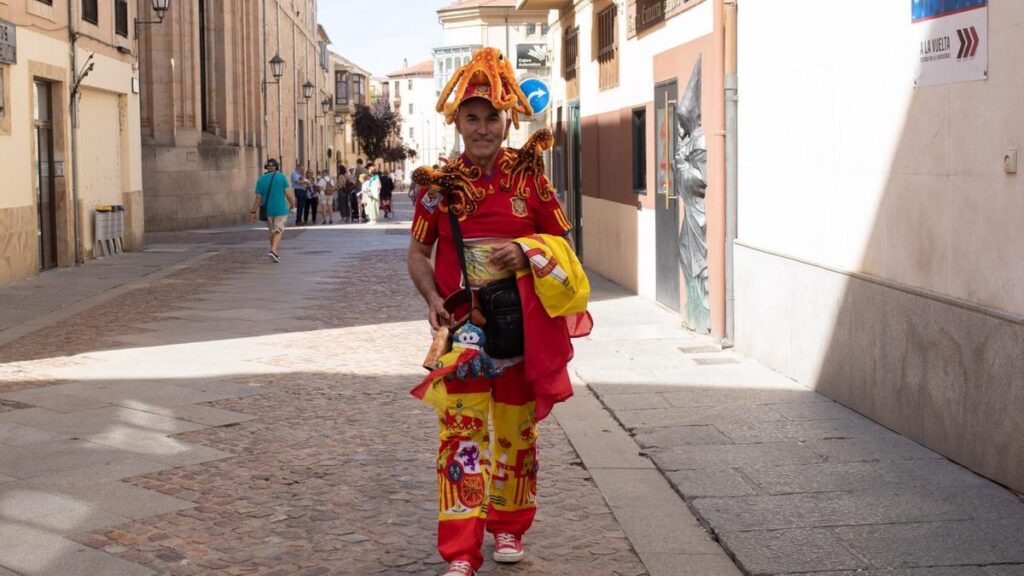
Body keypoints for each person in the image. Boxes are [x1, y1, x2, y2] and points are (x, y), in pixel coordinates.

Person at [405, 47, 584, 576]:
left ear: (507, 121)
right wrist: (432, 299)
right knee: (459, 440)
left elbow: (565, 245)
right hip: (462, 333)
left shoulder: (531, 179)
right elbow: (418, 253)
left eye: (491, 118)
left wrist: (528, 252)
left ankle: (509, 526)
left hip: (519, 332)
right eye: (472, 118)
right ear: (457, 122)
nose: (482, 128)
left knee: (515, 434)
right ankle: (461, 551)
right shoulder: (437, 186)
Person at [250, 158, 294, 263]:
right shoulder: (281, 177)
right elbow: (288, 193)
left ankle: (275, 253)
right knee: (278, 230)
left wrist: (253, 211)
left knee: (271, 232)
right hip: (280, 209)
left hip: (267, 210)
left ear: (266, 167)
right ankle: (273, 250)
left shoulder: (261, 179)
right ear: (276, 167)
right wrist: (293, 204)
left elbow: (258, 198)